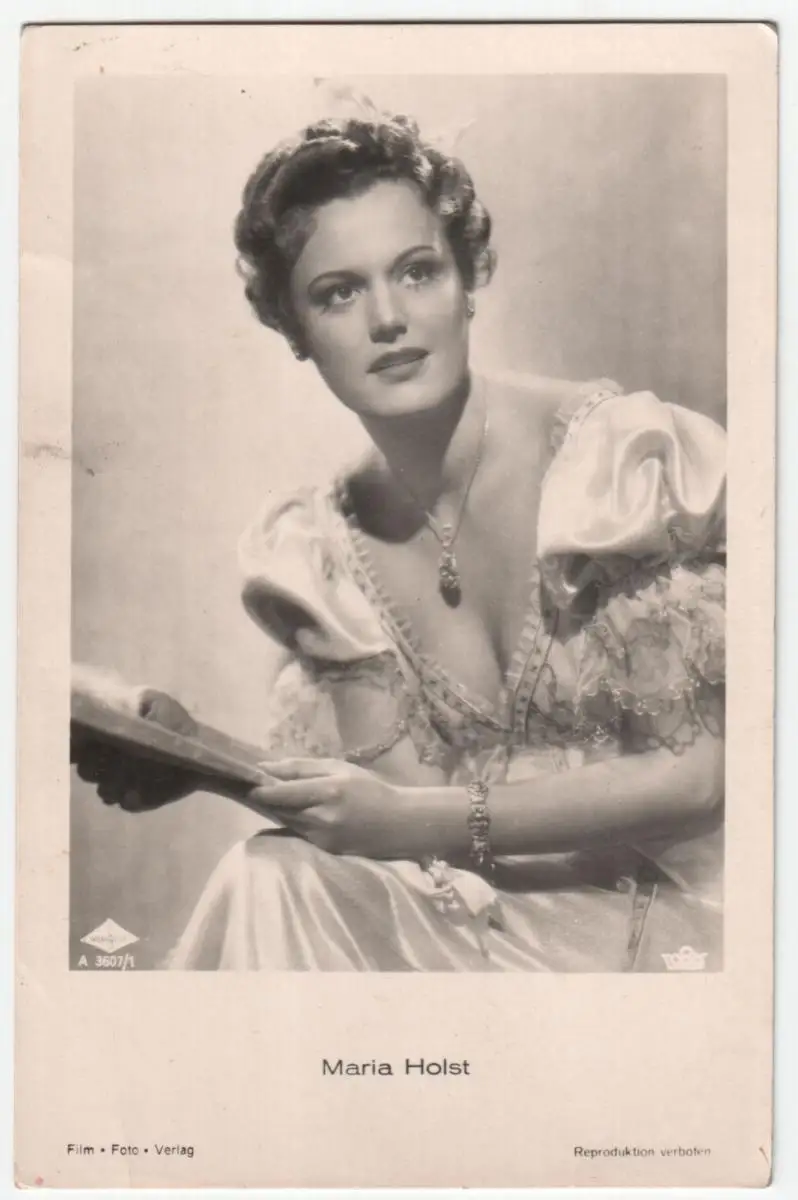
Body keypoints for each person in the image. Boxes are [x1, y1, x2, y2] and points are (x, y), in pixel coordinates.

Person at [75, 110, 726, 972]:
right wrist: (205, 756)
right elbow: (392, 810)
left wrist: (412, 821)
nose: (388, 318)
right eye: (338, 293)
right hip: (494, 912)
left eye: (417, 272)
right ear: (294, 329)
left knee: (277, 886)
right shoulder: (324, 546)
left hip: (678, 923)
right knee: (271, 875)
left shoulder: (615, 464)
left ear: (468, 279)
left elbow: (697, 780)